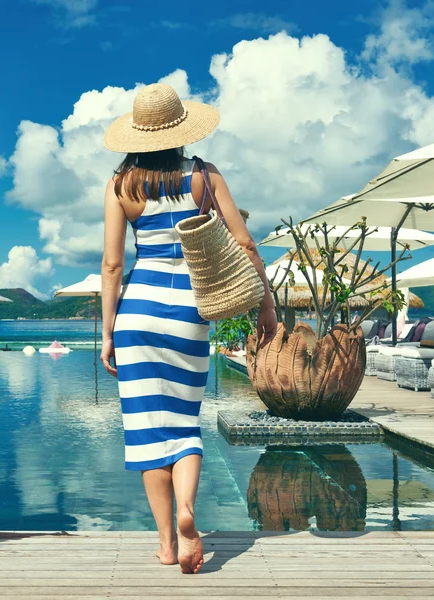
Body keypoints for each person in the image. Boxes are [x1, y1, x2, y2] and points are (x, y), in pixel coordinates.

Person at [100, 83, 277, 574]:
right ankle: (187, 511)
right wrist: (266, 305)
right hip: (189, 313)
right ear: (180, 130)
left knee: (146, 431)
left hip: (137, 312)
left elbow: (113, 265)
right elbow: (243, 243)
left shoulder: (121, 185)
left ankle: (164, 542)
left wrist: (108, 333)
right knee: (183, 424)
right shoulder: (203, 175)